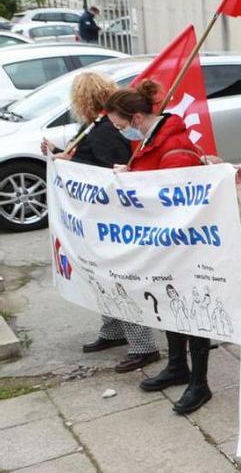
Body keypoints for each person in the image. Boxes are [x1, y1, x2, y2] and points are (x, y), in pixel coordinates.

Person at [104, 80, 213, 415]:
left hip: (183, 248)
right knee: (168, 304)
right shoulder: (152, 142)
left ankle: (200, 383)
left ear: (136, 118)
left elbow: (173, 203)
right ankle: (178, 366)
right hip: (163, 248)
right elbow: (151, 183)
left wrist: (135, 182)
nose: (121, 132)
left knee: (190, 313)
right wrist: (130, 174)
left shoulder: (174, 147)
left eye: (120, 125)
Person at [48, 73, 160, 373]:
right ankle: (113, 330)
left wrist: (74, 166)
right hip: (96, 219)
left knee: (118, 278)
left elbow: (108, 172)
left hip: (111, 219)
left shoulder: (105, 131)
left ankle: (142, 346)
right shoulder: (97, 127)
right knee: (101, 275)